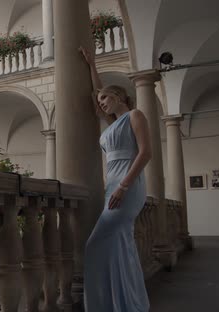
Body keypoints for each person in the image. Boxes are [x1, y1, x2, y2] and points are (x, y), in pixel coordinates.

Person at [79, 45, 152, 312]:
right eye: (100, 102)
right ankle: (122, 303)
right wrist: (92, 65)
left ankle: (116, 304)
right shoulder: (112, 125)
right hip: (113, 185)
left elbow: (145, 154)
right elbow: (97, 91)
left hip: (127, 186)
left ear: (119, 96)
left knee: (95, 244)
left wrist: (123, 186)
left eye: (105, 99)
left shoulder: (135, 115)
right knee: (120, 246)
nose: (101, 103)